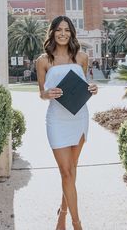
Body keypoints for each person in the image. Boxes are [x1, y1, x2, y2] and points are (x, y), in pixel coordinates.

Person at [36, 16, 98, 230]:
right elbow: (41, 93)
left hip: (79, 118)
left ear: (72, 33)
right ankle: (77, 224)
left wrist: (92, 88)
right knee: (66, 172)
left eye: (67, 30)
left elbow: (85, 83)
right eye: (58, 30)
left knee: (71, 170)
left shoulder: (81, 57)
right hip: (57, 121)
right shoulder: (43, 60)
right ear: (52, 32)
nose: (63, 33)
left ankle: (62, 212)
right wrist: (47, 93)